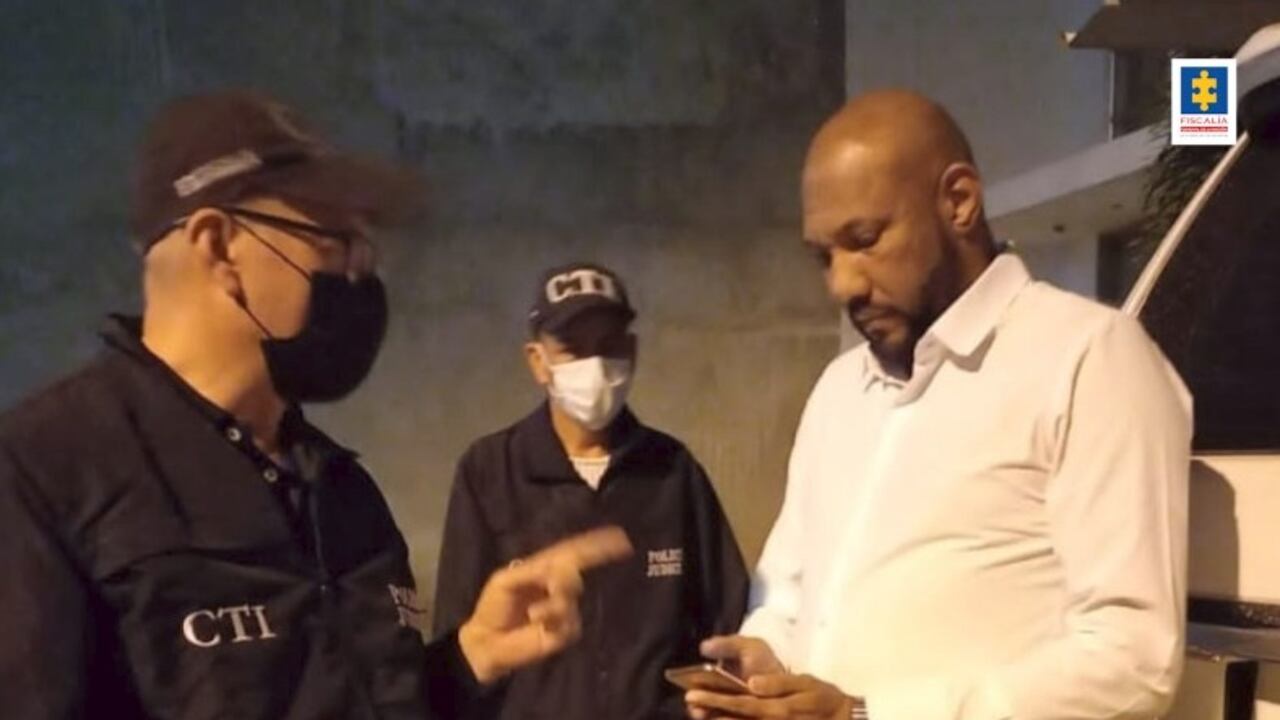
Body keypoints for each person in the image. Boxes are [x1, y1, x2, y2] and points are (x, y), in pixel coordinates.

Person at [0, 90, 631, 720]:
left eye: (366, 252)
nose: (362, 276)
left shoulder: (339, 488)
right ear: (219, 247)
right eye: (334, 242)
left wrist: (466, 662)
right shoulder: (42, 471)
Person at [686, 90, 1192, 720]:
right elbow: (787, 595)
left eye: (865, 239)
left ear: (959, 201)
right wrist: (766, 659)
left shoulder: (1090, 359)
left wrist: (868, 715)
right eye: (823, 257)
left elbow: (1133, 659)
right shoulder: (839, 389)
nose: (842, 284)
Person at [433, 262, 749, 719]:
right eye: (573, 349)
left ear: (632, 352)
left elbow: (725, 618)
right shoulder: (490, 470)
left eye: (609, 346)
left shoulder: (672, 471)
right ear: (537, 361)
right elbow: (462, 639)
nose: (595, 366)